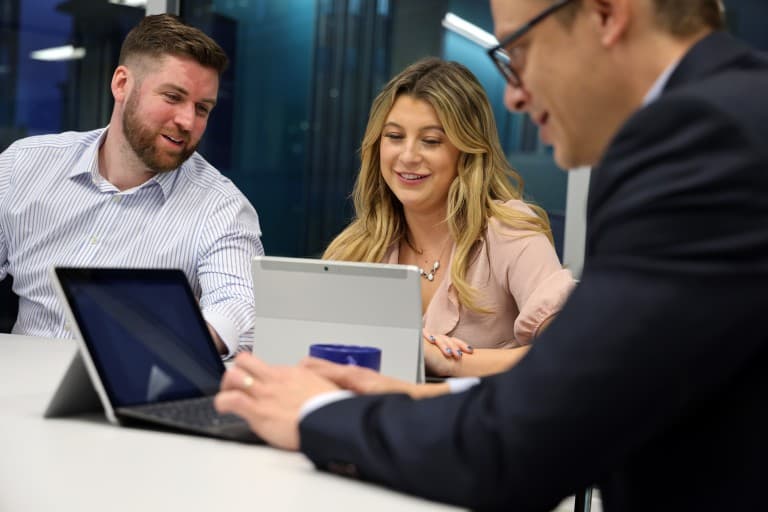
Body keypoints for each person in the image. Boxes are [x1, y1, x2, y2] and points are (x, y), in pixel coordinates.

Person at [216, 0, 768, 510]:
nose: (515, 96)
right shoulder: (726, 122)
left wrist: (318, 414)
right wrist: (411, 391)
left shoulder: (705, 139)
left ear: (606, 14)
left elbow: (536, 428)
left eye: (518, 50)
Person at [0, 14, 263, 355]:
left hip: (128, 391)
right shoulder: (24, 166)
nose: (187, 120)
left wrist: (157, 346)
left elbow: (240, 310)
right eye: (172, 97)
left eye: (202, 108)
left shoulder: (221, 207)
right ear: (122, 84)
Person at [323, 57, 574, 377]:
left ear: (467, 151)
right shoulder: (356, 249)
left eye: (431, 141)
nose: (408, 156)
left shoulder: (507, 230)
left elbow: (570, 350)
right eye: (395, 136)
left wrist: (446, 361)